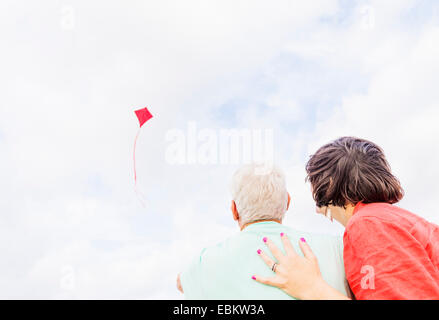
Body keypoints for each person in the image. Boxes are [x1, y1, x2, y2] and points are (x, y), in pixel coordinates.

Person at [253, 137, 439, 300]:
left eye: (314, 180)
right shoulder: (393, 219)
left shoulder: (368, 224)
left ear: (329, 184)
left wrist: (313, 289)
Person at [177, 163, 350, 299]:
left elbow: (181, 283)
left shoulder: (203, 263)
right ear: (287, 202)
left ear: (234, 210)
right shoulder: (341, 248)